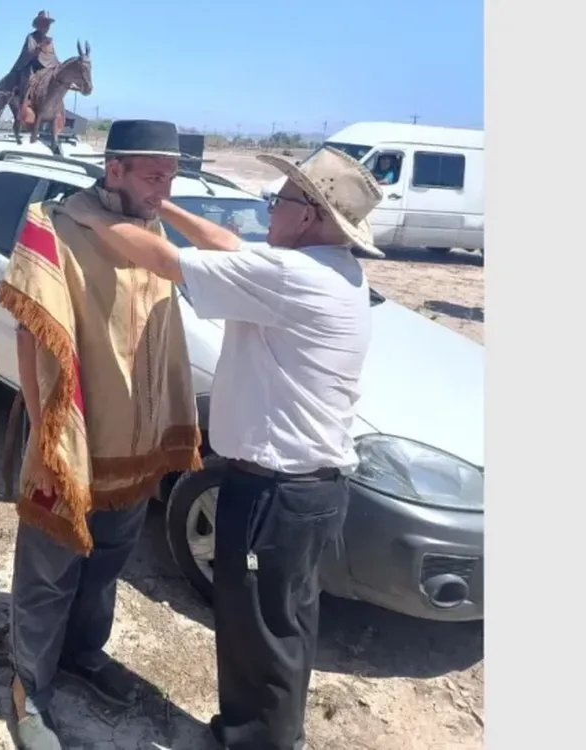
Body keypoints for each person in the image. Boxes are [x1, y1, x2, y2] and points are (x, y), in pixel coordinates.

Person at [59, 145, 384, 750]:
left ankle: (251, 741)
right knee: (281, 626)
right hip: (309, 492)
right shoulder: (331, 269)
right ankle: (273, 733)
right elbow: (228, 248)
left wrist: (95, 217)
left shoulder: (292, 276)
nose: (270, 209)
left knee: (253, 628)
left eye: (280, 201)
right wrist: (168, 205)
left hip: (273, 494)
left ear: (309, 215)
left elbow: (167, 263)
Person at [0, 119, 203, 750]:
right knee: (50, 567)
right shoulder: (52, 226)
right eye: (152, 176)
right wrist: (43, 430)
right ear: (113, 169)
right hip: (73, 440)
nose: (163, 190)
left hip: (133, 444)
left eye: (170, 176)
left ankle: (83, 652)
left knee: (107, 561)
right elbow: (31, 334)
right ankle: (29, 688)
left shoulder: (152, 229)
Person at [7, 10, 60, 111]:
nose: (46, 26)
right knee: (29, 79)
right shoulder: (31, 37)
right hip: (30, 66)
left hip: (46, 69)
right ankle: (24, 102)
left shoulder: (49, 41)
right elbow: (29, 53)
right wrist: (39, 48)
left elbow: (53, 58)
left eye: (48, 24)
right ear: (39, 25)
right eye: (44, 23)